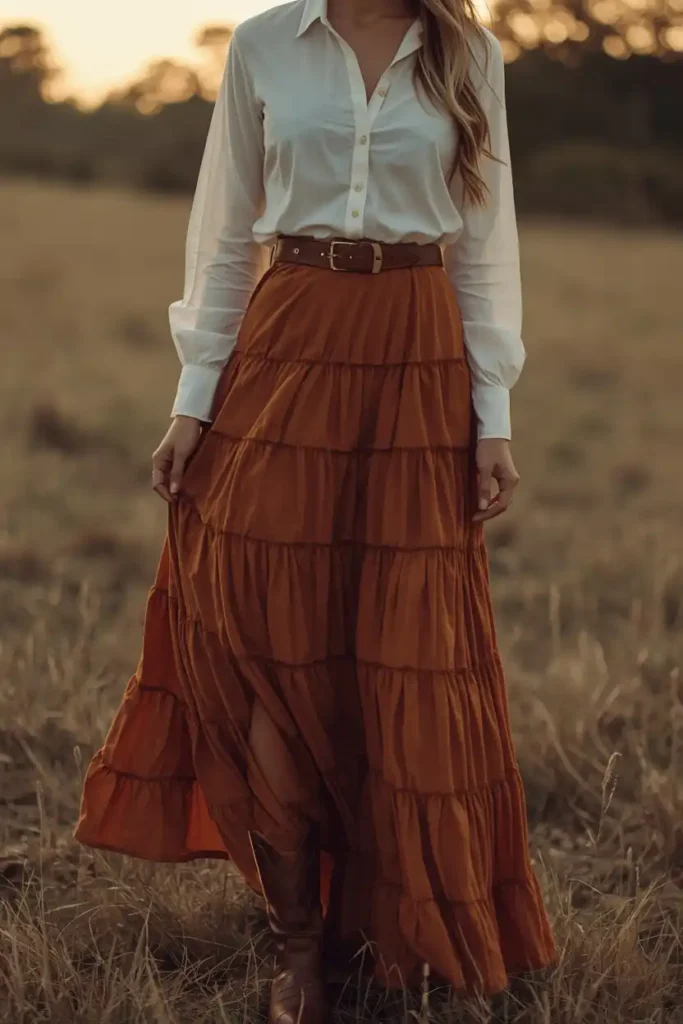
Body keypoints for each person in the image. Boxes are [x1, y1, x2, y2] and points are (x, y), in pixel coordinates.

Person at [74, 0, 557, 1018]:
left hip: (417, 361)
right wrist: (191, 401)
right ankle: (299, 945)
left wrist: (494, 414)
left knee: (396, 646)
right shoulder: (260, 46)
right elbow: (220, 235)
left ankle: (382, 917)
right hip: (286, 343)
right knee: (267, 635)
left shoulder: (469, 53)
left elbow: (481, 247)